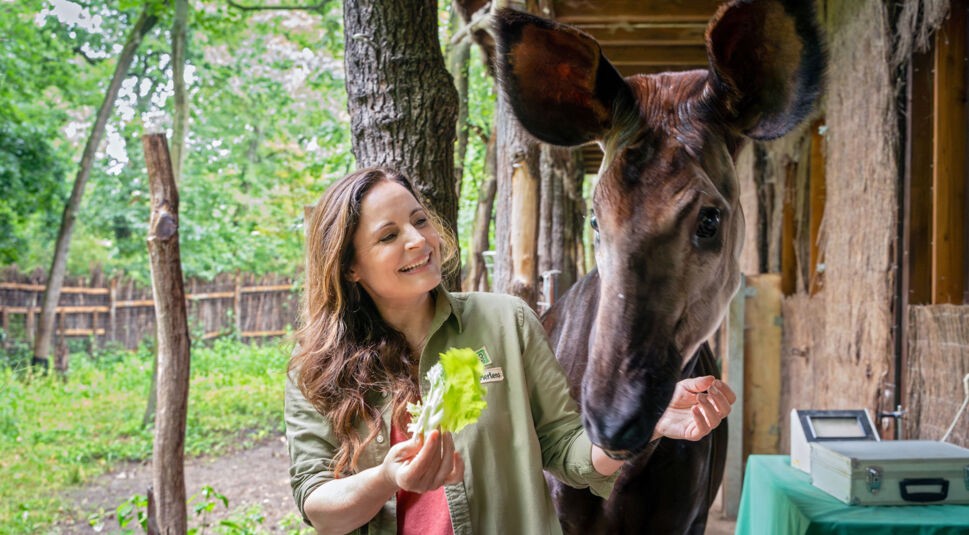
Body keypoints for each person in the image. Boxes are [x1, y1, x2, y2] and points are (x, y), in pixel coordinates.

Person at [285, 167, 736, 535]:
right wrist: (388, 478)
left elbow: (568, 452)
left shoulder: (506, 322)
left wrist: (647, 424)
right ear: (350, 268)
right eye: (388, 236)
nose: (419, 241)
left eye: (419, 220)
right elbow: (318, 504)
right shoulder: (316, 370)